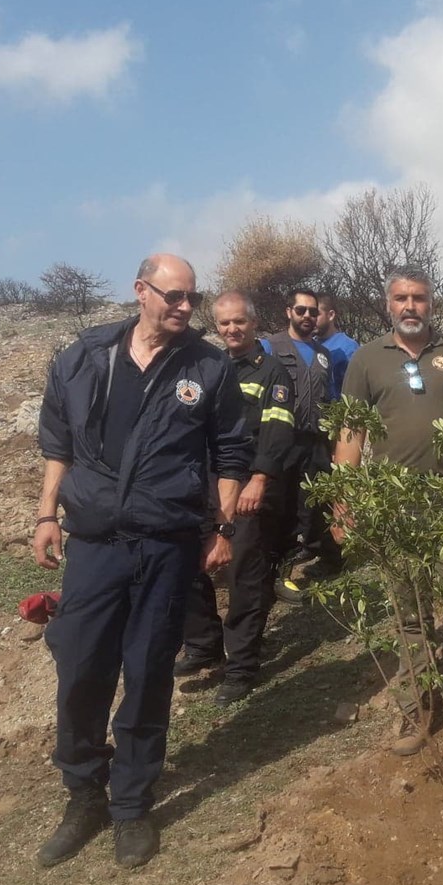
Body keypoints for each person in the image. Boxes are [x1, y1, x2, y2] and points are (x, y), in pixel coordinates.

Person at [32, 253, 252, 870]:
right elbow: (58, 445)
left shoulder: (207, 365)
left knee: (150, 673)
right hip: (94, 544)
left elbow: (231, 451)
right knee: (80, 669)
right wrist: (46, 516)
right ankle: (84, 795)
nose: (185, 307)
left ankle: (131, 804)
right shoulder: (85, 357)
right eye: (174, 295)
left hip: (167, 544)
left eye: (192, 297)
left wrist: (222, 528)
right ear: (140, 291)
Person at [332, 264, 443, 756]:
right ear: (388, 304)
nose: (410, 306)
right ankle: (416, 713)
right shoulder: (367, 359)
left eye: (419, 298)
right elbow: (350, 431)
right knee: (409, 616)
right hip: (395, 511)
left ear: (431, 303)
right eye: (401, 298)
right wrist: (342, 501)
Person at [174, 291, 296, 706]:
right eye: (224, 323)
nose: (232, 329)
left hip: (248, 486)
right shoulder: (209, 368)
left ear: (254, 323)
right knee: (187, 560)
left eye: (239, 321)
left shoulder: (271, 372)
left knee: (244, 574)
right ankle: (203, 644)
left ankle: (241, 664)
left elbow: (278, 432)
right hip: (204, 484)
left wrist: (259, 479)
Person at [261, 287, 340, 601]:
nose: (307, 316)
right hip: (282, 442)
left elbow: (329, 399)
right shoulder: (270, 346)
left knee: (313, 506)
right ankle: (276, 575)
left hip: (316, 443)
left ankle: (316, 559)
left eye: (313, 311)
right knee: (281, 508)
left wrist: (334, 443)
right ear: (289, 312)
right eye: (301, 310)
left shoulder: (324, 354)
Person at [316, 291, 360, 399]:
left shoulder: (348, 348)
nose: (311, 318)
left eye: (316, 314)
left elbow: (356, 390)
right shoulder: (309, 344)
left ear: (331, 315)